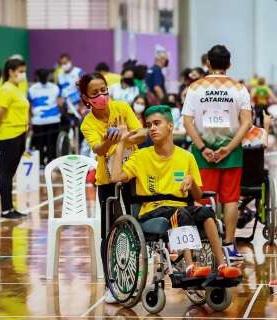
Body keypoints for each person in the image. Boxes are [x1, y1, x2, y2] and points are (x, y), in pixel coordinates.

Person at [110, 105, 242, 279]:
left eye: (157, 123)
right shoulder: (141, 157)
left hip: (180, 208)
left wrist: (192, 181)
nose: (152, 129)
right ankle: (189, 267)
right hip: (152, 211)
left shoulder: (187, 157)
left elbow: (198, 196)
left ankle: (222, 265)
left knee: (207, 212)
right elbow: (116, 177)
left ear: (171, 126)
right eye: (149, 125)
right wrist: (121, 144)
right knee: (181, 214)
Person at [79, 72, 147, 303]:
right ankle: (113, 283)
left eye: (103, 90)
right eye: (95, 93)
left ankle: (136, 278)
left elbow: (142, 134)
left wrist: (127, 137)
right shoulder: (88, 123)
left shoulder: (122, 107)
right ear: (86, 98)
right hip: (107, 181)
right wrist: (112, 140)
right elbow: (98, 149)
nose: (101, 95)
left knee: (136, 224)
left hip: (131, 174)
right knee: (109, 232)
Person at [182, 45, 252, 261]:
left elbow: (187, 122)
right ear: (229, 64)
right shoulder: (239, 88)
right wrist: (229, 148)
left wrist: (203, 148)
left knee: (203, 199)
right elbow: (247, 122)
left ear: (208, 63)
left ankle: (206, 245)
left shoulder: (195, 88)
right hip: (231, 153)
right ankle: (229, 246)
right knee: (231, 199)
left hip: (202, 154)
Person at [0, 58, 29, 219]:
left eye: (23, 71)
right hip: (7, 136)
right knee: (5, 173)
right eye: (20, 71)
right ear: (10, 72)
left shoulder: (17, 88)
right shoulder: (6, 90)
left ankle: (10, 208)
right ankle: (6, 210)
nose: (23, 74)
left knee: (10, 173)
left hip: (20, 134)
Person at [28, 69, 63, 166]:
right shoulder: (55, 88)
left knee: (39, 144)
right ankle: (51, 162)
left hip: (38, 121)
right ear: (48, 77)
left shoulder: (32, 89)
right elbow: (60, 103)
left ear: (37, 77)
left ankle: (40, 163)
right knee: (51, 143)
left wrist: (30, 119)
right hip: (54, 120)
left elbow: (29, 106)